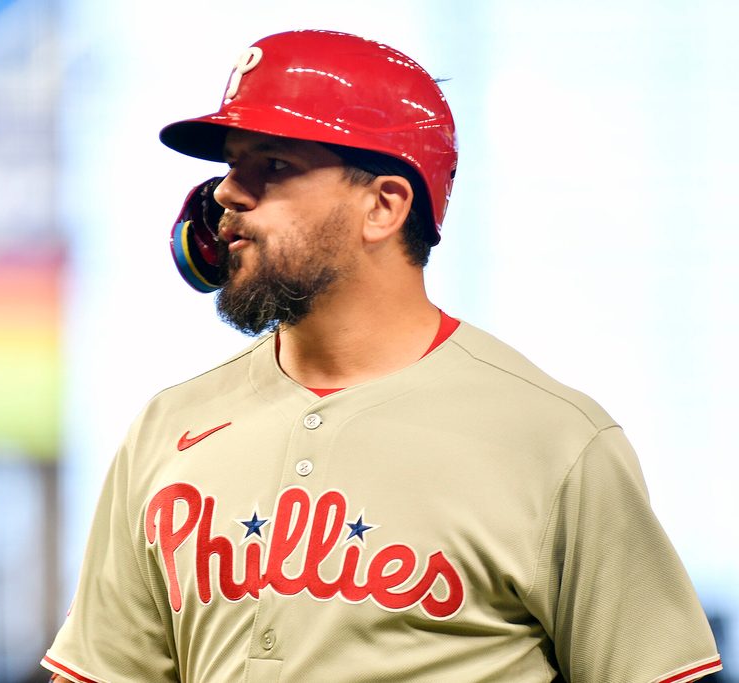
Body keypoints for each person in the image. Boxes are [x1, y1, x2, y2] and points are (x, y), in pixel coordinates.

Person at [41, 29, 722, 682]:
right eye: (230, 167)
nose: (225, 194)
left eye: (272, 166)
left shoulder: (557, 440)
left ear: (384, 206)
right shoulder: (168, 428)